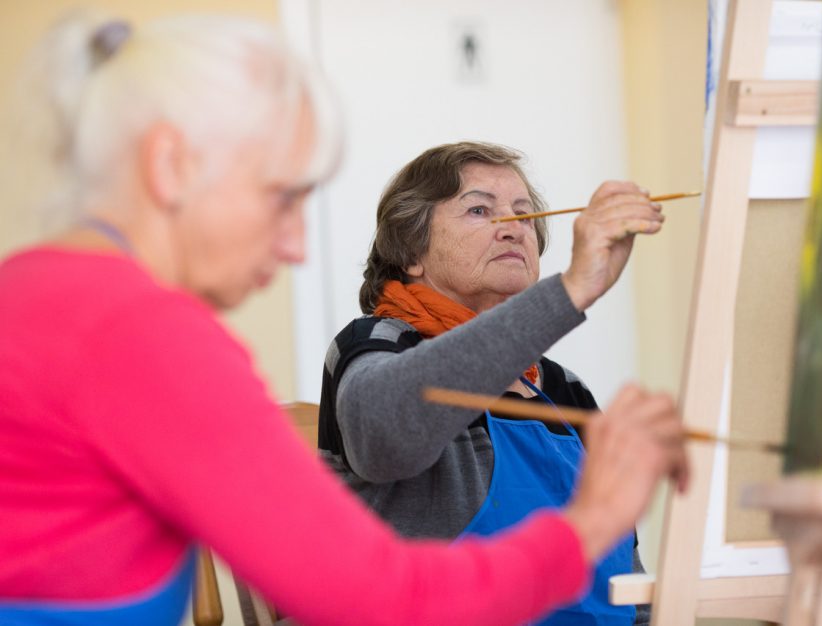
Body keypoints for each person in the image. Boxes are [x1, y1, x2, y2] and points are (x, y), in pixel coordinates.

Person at [0, 12, 689, 626]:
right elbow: (374, 598)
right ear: (172, 165)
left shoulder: (33, 292)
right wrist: (591, 520)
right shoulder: (142, 335)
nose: (297, 243)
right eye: (282, 196)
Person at [318, 142, 666, 625]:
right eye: (480, 209)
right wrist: (572, 289)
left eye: (525, 215)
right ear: (412, 252)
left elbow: (625, 574)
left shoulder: (565, 390)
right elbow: (384, 438)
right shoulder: (377, 345)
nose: (513, 228)